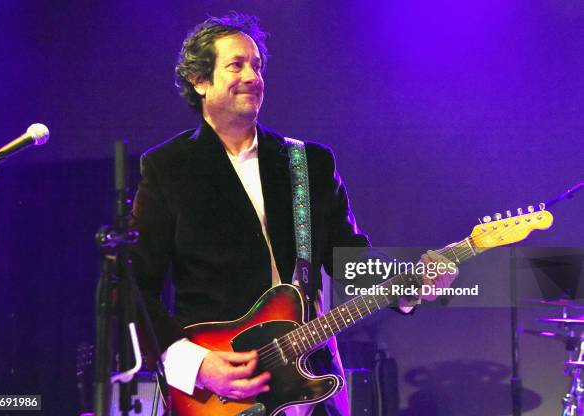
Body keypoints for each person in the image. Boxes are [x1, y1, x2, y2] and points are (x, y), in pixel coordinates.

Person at [130, 12, 457, 416]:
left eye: (257, 65)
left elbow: (348, 255)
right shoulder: (167, 167)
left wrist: (410, 288)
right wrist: (196, 364)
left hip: (310, 377)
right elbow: (135, 284)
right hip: (219, 392)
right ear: (200, 81)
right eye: (236, 64)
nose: (252, 75)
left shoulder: (307, 162)